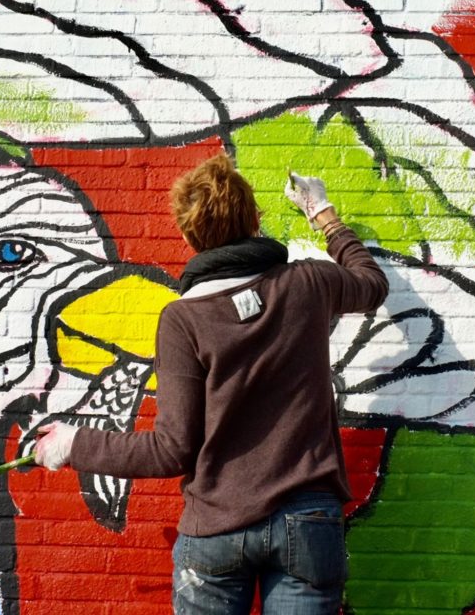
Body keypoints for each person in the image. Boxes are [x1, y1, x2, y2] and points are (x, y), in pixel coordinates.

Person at [33, 152, 389, 614]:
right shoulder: (308, 282)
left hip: (216, 530)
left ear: (187, 236)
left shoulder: (183, 319)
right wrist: (322, 213)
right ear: (255, 219)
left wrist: (72, 443)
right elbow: (371, 283)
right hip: (306, 521)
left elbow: (171, 450)